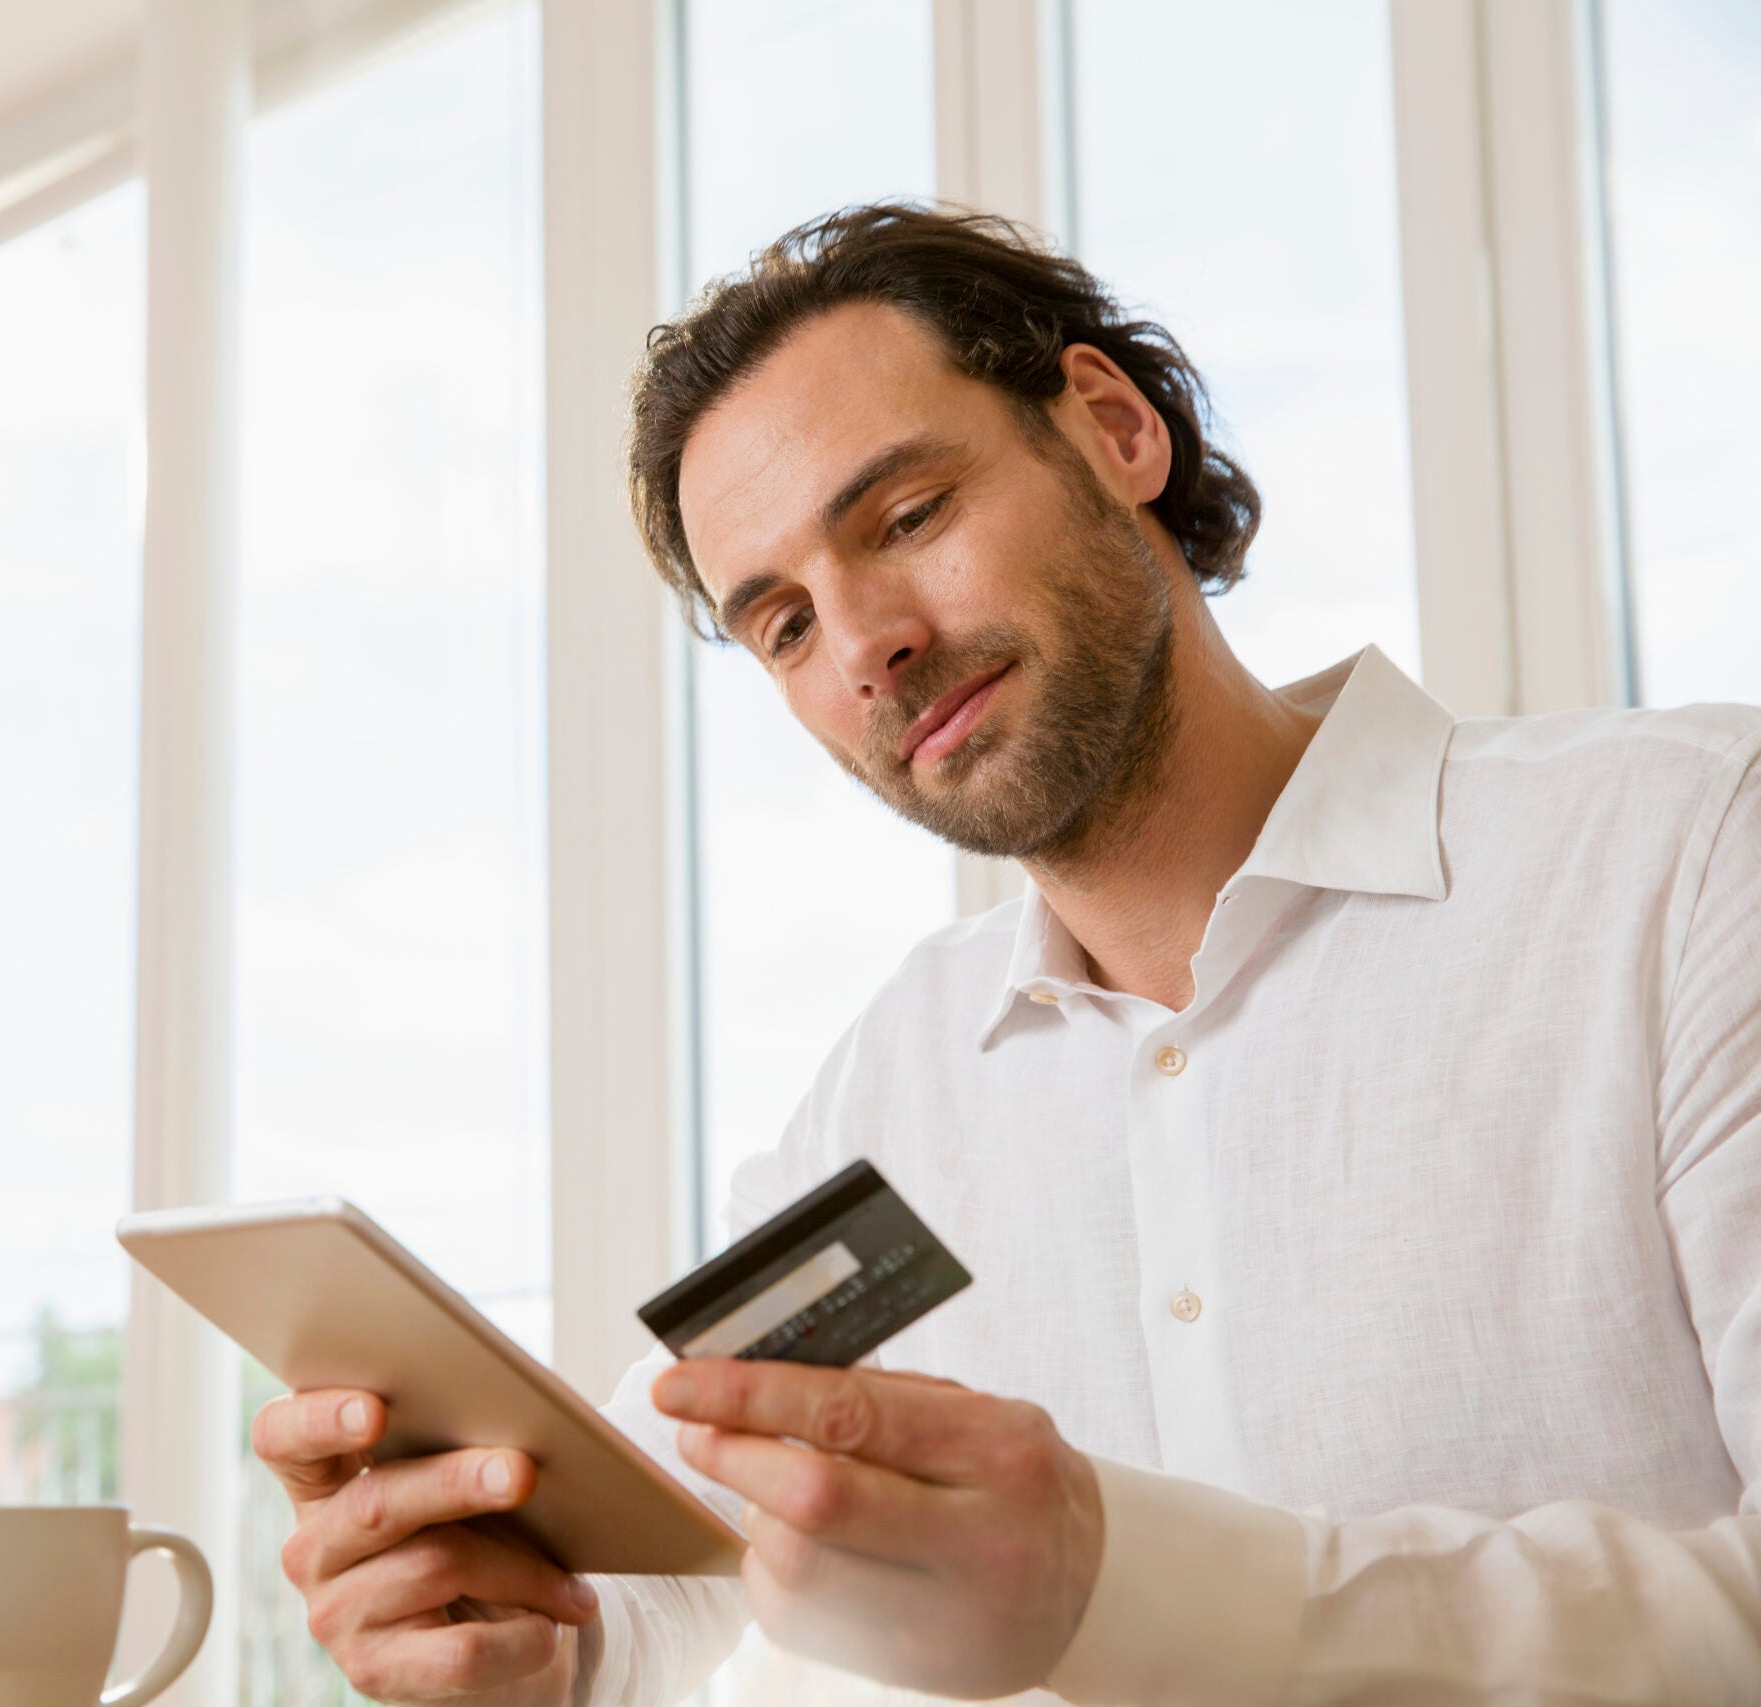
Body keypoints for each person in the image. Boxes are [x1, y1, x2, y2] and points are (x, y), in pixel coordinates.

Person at [252, 203, 1761, 1705]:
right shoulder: (896, 1093)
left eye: (907, 517)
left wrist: (1125, 1584)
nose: (865, 645)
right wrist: (518, 1635)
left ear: (1114, 429)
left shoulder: (1689, 859)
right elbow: (663, 1562)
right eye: (784, 625)